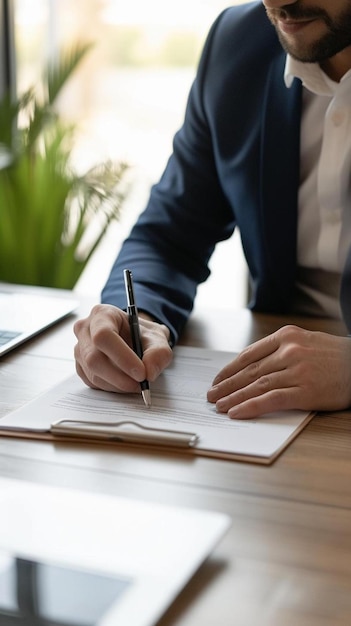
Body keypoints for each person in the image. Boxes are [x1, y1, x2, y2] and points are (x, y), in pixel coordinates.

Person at [74, 0, 351, 419]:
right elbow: (170, 236)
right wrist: (139, 318)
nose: (275, 2)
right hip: (276, 415)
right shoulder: (238, 42)